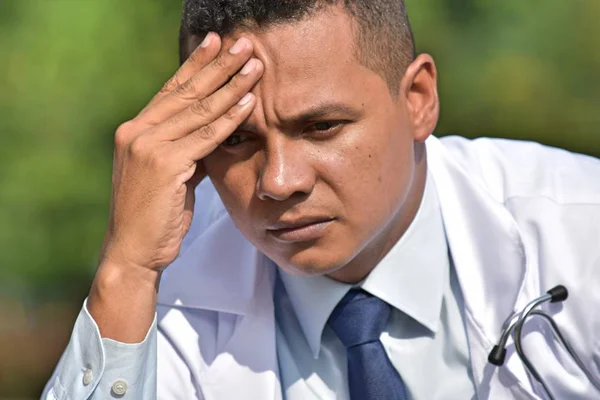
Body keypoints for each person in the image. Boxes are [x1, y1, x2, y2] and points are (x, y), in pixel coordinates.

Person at [42, 0, 600, 399]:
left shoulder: (581, 231)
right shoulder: (156, 287)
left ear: (418, 100)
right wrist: (124, 271)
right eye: (236, 139)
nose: (279, 182)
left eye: (323, 126)